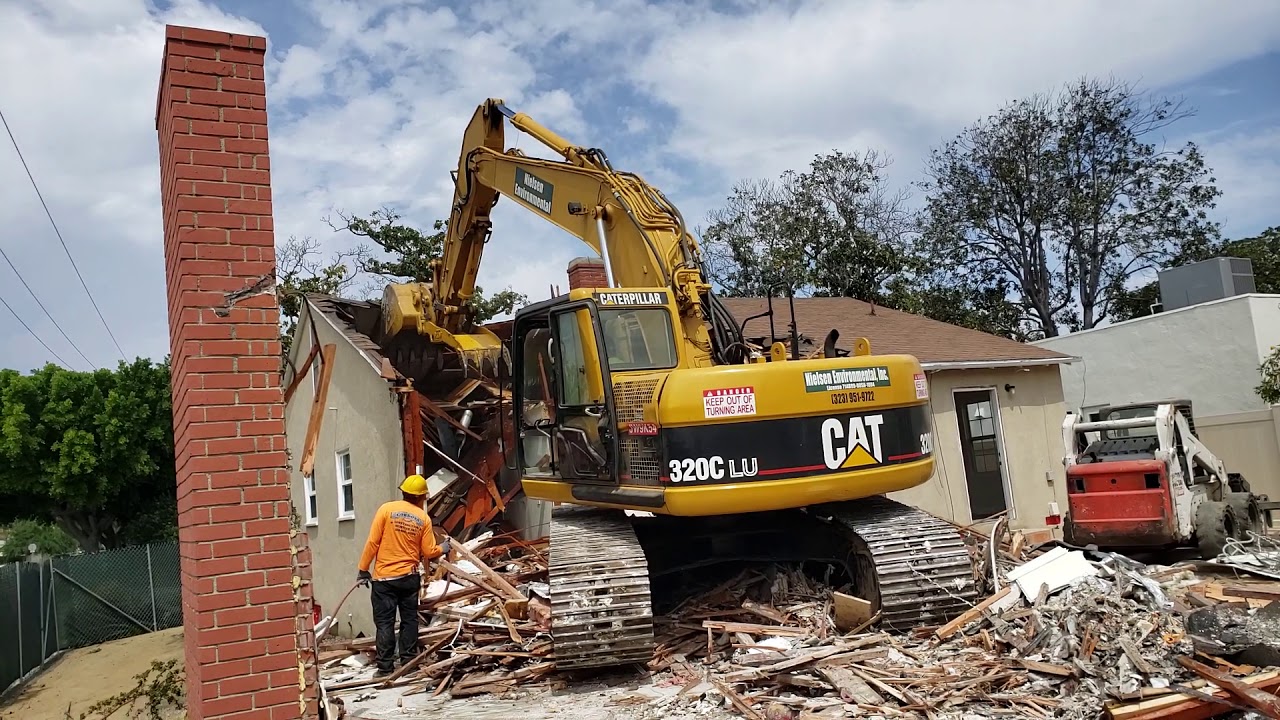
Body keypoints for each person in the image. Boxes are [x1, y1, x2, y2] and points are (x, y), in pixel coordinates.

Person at [357, 474, 451, 676]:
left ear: (403, 492)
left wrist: (363, 569)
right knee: (409, 621)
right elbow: (428, 551)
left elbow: (373, 542)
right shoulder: (423, 519)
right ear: (422, 497)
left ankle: (385, 669)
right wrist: (443, 548)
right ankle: (409, 664)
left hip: (384, 580)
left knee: (385, 624)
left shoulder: (386, 510)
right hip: (408, 579)